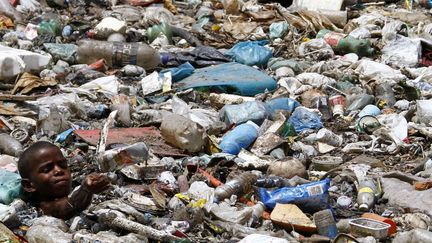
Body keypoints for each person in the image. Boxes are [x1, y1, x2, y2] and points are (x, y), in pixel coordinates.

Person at [18, 141, 110, 219]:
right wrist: (86, 190)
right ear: (29, 185)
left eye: (63, 165)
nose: (58, 171)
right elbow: (64, 208)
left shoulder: (72, 188)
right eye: (47, 169)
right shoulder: (39, 207)